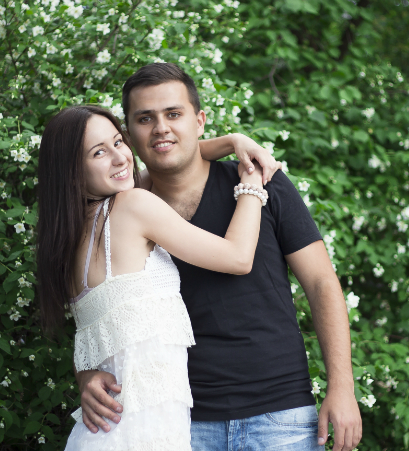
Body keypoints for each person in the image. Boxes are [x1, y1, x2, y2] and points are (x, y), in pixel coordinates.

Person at [77, 63, 362, 451]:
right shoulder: (124, 211)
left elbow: (321, 282)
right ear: (128, 135)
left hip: (280, 416)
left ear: (199, 121)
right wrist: (87, 373)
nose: (160, 128)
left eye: (173, 114)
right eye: (145, 119)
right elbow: (98, 307)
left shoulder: (263, 179)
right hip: (182, 425)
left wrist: (342, 386)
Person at [36, 104, 277, 450]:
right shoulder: (133, 206)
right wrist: (251, 183)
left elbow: (171, 162)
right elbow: (238, 257)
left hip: (105, 436)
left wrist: (231, 142)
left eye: (118, 142)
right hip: (142, 436)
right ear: (71, 171)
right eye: (99, 152)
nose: (120, 158)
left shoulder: (69, 240)